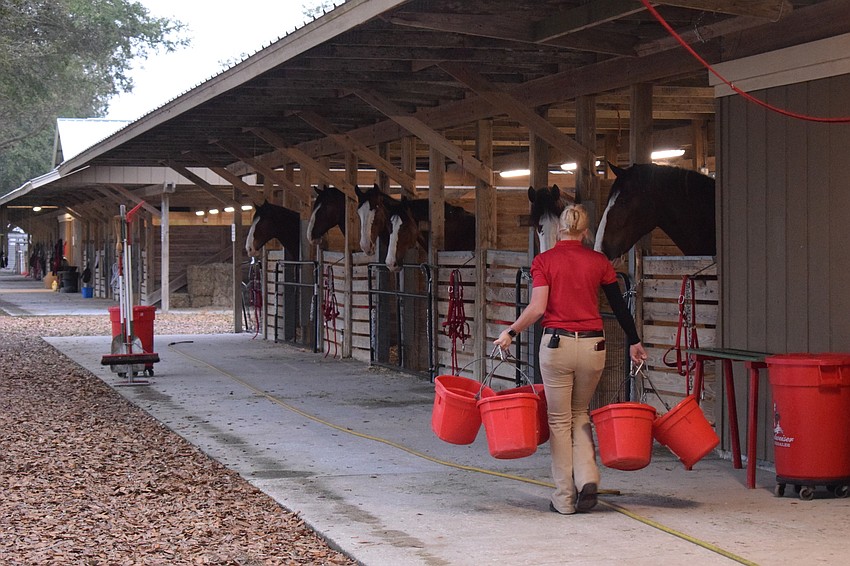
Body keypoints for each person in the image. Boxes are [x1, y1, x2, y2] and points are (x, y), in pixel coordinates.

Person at [493, 203, 647, 515]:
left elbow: (537, 309)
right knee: (580, 413)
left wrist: (511, 331)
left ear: (560, 230)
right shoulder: (599, 261)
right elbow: (619, 307)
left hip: (557, 346)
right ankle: (588, 477)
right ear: (586, 231)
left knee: (559, 421)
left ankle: (564, 497)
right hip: (593, 348)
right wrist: (635, 342)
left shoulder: (544, 261)